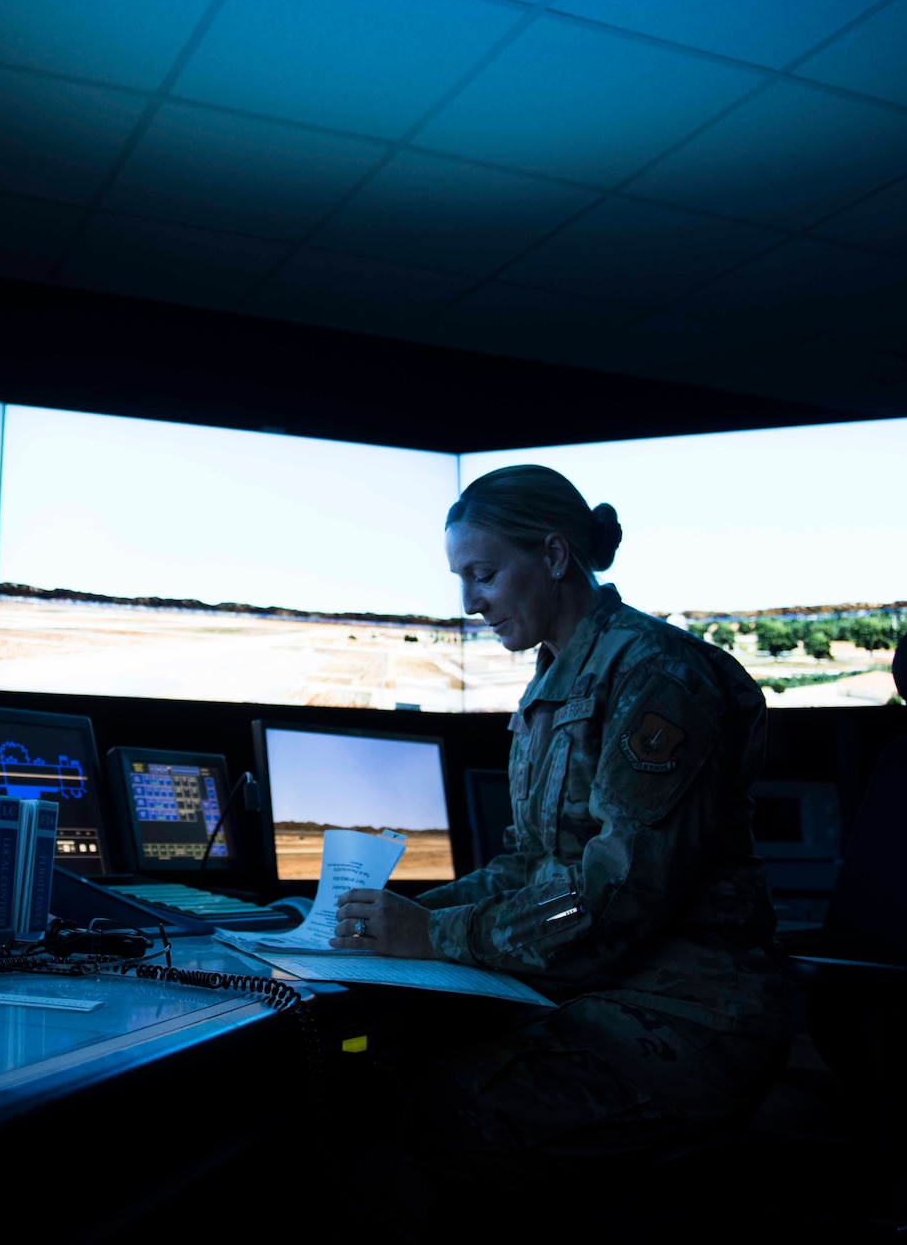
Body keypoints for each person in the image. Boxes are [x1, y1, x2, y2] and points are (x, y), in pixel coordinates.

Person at [333, 464, 788, 1162]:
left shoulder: (657, 676)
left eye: (481, 574)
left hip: (690, 1018)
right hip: (591, 996)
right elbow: (528, 867)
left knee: (418, 1112)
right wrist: (393, 918)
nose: (470, 600)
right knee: (363, 1069)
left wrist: (437, 934)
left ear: (552, 555)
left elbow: (618, 895)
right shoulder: (556, 680)